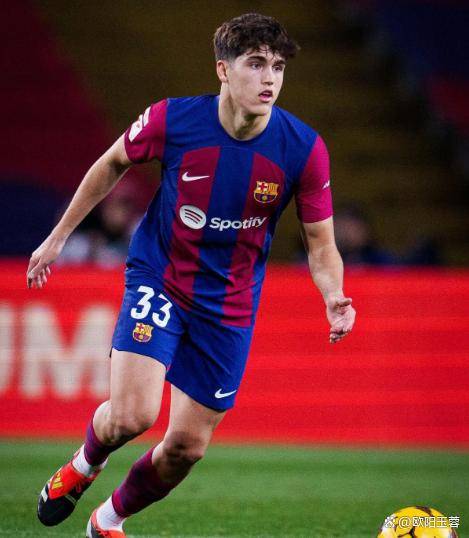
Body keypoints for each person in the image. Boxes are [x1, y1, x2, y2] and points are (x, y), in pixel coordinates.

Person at [27, 13, 356, 537]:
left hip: (228, 304)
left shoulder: (303, 148)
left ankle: (107, 521)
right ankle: (84, 465)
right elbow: (112, 162)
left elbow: (321, 245)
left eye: (277, 67)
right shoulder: (173, 120)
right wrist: (59, 237)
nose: (269, 78)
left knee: (186, 448)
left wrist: (333, 293)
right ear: (223, 70)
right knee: (132, 416)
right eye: (255, 64)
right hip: (160, 277)